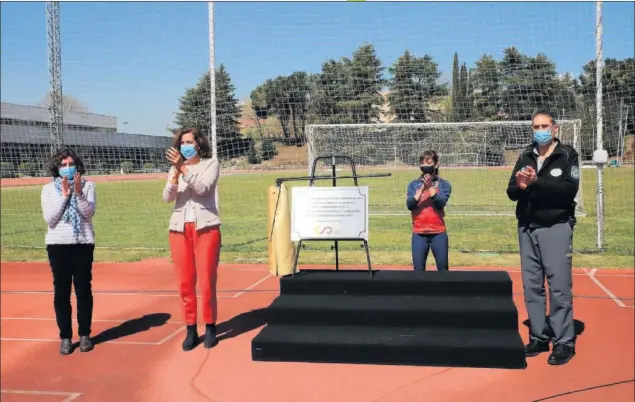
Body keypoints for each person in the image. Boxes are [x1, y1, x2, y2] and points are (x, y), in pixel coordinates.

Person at [506, 109, 580, 366]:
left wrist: (537, 182)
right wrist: (521, 186)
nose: (540, 131)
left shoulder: (567, 155)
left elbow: (568, 191)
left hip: (555, 227)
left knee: (558, 287)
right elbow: (512, 191)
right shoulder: (526, 155)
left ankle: (564, 342)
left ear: (555, 128)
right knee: (532, 287)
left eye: (544, 126)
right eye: (536, 126)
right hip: (526, 227)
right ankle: (538, 336)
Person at [163, 128, 221, 351]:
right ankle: (190, 328)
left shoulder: (210, 164)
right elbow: (167, 198)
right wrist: (174, 178)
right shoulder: (174, 168)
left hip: (205, 227)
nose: (184, 146)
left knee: (206, 281)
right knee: (185, 282)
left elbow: (203, 189)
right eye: (181, 143)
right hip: (179, 229)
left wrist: (183, 169)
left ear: (198, 144)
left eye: (189, 142)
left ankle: (210, 326)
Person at [41, 148, 96, 355]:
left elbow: (88, 213)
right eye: (63, 165)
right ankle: (65, 336)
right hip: (58, 245)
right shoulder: (48, 190)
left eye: (71, 164)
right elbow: (50, 218)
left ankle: (84, 334)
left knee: (83, 290)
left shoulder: (88, 185)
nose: (67, 168)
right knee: (61, 292)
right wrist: (65, 196)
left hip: (82, 243)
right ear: (56, 167)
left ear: (77, 166)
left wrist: (79, 193)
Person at [406, 150, 452, 271]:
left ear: (436, 164)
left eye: (429, 162)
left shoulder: (444, 184)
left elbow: (440, 203)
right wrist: (422, 189)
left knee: (443, 269)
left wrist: (431, 187)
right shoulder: (413, 184)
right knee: (418, 271)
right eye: (422, 163)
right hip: (419, 233)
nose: (425, 166)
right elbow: (410, 205)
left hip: (438, 232)